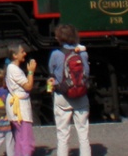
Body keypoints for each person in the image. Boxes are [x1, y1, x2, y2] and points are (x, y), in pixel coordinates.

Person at [48, 23, 91, 156]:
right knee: (83, 133)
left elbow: (51, 71)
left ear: (59, 38)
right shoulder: (83, 54)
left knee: (63, 135)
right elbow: (87, 73)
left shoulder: (56, 54)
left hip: (63, 95)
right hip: (81, 96)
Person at [5, 44, 37, 156]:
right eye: (22, 52)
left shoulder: (11, 68)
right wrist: (31, 72)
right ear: (14, 55)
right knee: (26, 139)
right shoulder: (14, 70)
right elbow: (28, 86)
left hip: (16, 106)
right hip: (20, 108)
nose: (25, 53)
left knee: (19, 138)